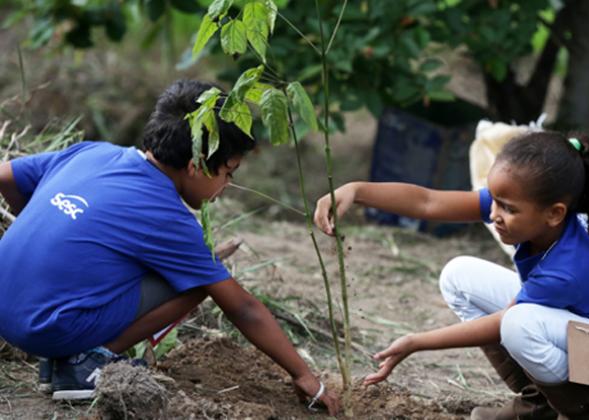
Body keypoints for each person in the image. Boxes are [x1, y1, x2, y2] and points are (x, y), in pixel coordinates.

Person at [0, 80, 339, 415]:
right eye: (228, 172)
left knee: (182, 269)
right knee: (199, 283)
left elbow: (6, 176)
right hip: (45, 328)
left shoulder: (92, 152)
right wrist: (304, 374)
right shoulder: (167, 216)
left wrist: (36, 225)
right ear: (196, 167)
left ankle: (61, 356)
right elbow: (243, 309)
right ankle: (86, 359)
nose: (227, 186)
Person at [314, 131, 589, 419]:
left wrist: (416, 342)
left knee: (519, 324)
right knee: (459, 276)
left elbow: (505, 322)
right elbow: (427, 203)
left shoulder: (568, 266)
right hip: (584, 335)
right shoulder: (530, 213)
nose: (494, 214)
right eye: (494, 200)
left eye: (508, 208)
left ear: (555, 213)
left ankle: (588, 414)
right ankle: (538, 404)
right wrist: (357, 191)